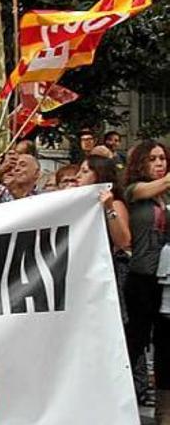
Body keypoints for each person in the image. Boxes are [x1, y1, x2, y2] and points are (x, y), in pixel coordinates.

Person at [122, 140, 170, 422]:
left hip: (165, 281)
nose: (159, 163)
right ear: (140, 163)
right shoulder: (133, 191)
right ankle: (121, 401)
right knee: (135, 342)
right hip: (140, 279)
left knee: (166, 346)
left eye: (163, 158)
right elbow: (153, 187)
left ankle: (164, 412)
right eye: (152, 159)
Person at [74, 156, 131, 318]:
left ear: (99, 175)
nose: (78, 176)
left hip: (102, 273)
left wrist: (109, 208)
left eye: (84, 171)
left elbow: (123, 241)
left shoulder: (115, 204)